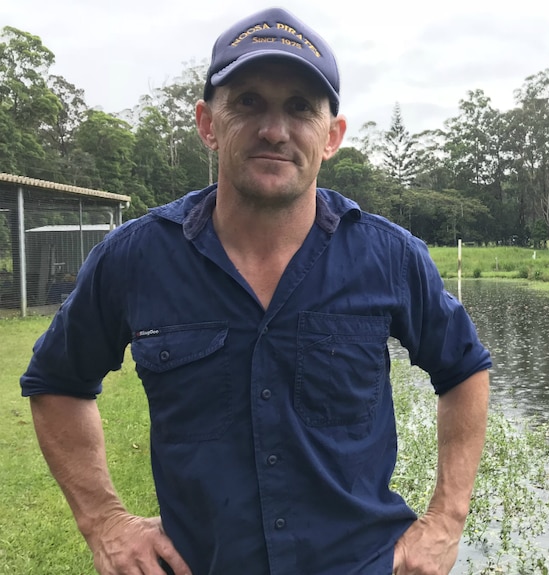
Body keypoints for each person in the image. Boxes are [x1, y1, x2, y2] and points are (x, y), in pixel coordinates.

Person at [20, 7, 491, 575]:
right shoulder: (136, 259)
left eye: (299, 107)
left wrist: (445, 520)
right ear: (207, 123)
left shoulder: (388, 258)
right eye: (248, 102)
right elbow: (56, 382)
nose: (275, 129)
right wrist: (104, 519)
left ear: (332, 136)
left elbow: (464, 370)